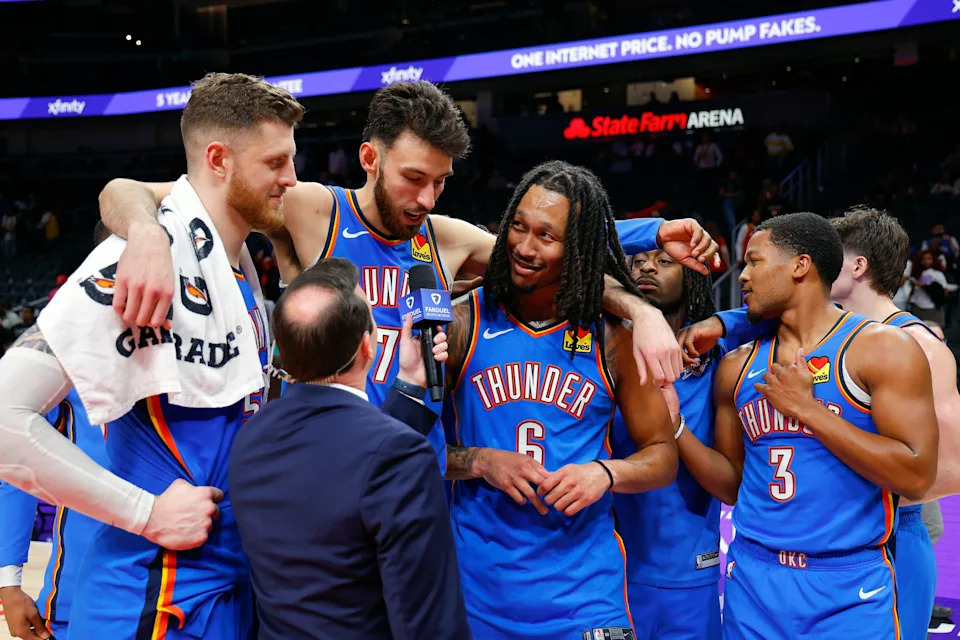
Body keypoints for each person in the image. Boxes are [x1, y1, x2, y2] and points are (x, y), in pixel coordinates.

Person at [98, 83, 722, 426]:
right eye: (414, 178)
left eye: (441, 182)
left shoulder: (443, 238)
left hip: (415, 458)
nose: (427, 197)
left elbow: (543, 241)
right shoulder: (314, 208)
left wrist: (647, 248)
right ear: (370, 160)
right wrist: (147, 235)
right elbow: (127, 192)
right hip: (327, 455)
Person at [0, 72, 304, 639]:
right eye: (276, 162)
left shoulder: (236, 267)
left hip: (223, 592)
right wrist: (145, 513)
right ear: (219, 159)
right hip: (148, 602)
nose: (292, 178)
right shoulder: (142, 260)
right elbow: (2, 419)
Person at [441, 161, 678, 639]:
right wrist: (480, 461)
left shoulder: (613, 339)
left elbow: (662, 455)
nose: (524, 247)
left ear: (579, 250)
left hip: (585, 599)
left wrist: (606, 472)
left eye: (546, 237)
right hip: (477, 591)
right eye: (518, 226)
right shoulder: (461, 321)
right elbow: (409, 451)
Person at [680, 212, 938, 638]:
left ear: (800, 266)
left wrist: (810, 411)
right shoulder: (736, 366)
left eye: (754, 262)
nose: (742, 276)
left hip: (846, 584)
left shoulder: (882, 348)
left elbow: (916, 476)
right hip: (753, 581)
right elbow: (732, 485)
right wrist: (674, 428)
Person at [230, 258, 469, 639]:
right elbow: (428, 622)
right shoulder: (399, 456)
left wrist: (409, 383)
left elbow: (343, 474)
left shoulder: (249, 438)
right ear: (366, 346)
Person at [0, 222, 114, 640]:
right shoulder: (67, 339)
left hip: (188, 584)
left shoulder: (208, 346)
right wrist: (9, 580)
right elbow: (13, 455)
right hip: (81, 586)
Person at [610, 251, 728, 640]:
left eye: (663, 261)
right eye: (638, 260)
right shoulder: (600, 349)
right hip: (607, 572)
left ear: (693, 276)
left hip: (690, 572)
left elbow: (774, 314)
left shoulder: (719, 359)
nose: (646, 268)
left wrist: (720, 322)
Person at [0, 390, 108, 640]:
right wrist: (8, 582)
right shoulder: (70, 357)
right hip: (81, 589)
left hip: (192, 588)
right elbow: (19, 457)